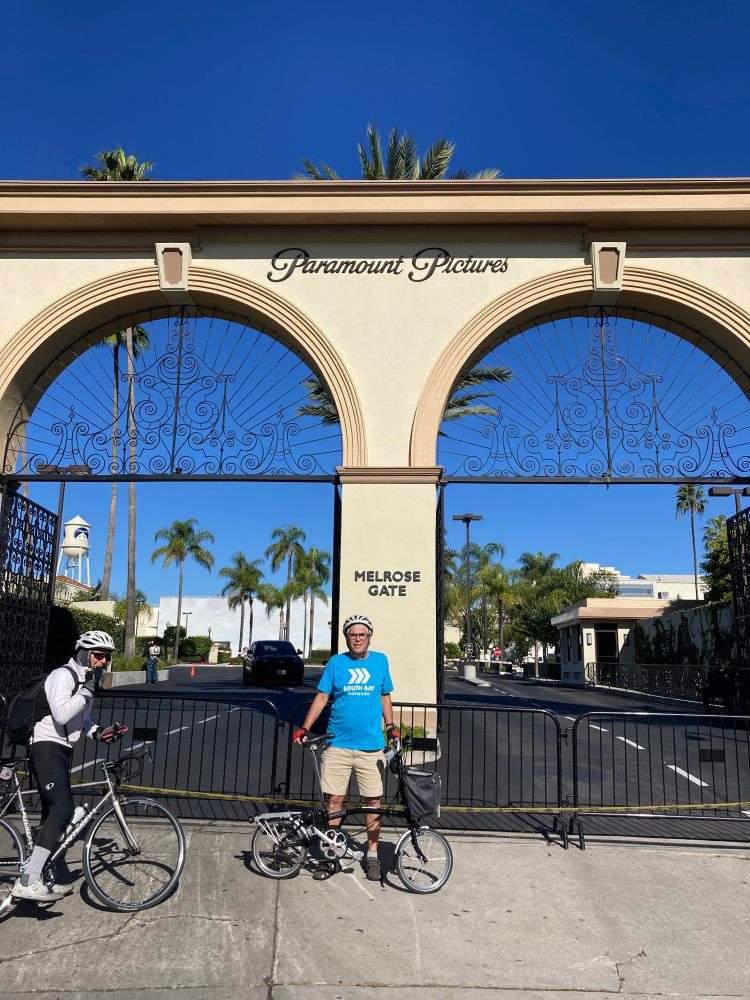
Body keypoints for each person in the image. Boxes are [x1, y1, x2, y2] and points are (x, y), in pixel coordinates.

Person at [11, 630, 126, 903]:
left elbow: (80, 720)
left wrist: (99, 732)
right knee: (63, 809)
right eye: (99, 655)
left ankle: (47, 877)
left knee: (52, 813)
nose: (103, 662)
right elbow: (62, 712)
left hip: (62, 749)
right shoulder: (62, 676)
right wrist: (87, 692)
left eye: (107, 657)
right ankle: (28, 880)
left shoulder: (85, 681)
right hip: (46, 746)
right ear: (85, 653)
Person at [293, 614, 399, 882]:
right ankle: (332, 853)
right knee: (335, 802)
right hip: (337, 744)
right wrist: (305, 727)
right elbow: (321, 696)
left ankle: (372, 855)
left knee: (373, 803)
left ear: (370, 637)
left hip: (371, 747)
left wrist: (390, 727)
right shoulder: (336, 663)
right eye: (353, 634)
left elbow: (385, 696)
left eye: (363, 634)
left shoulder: (380, 661)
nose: (358, 638)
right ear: (347, 638)